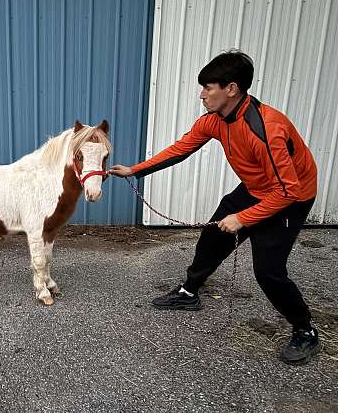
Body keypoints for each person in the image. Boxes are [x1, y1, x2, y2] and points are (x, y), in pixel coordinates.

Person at [108, 50, 320, 365]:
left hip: (292, 197)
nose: (202, 94)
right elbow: (181, 149)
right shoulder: (215, 121)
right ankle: (189, 293)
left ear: (231, 88)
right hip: (256, 188)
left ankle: (305, 331)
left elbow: (287, 190)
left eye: (208, 87)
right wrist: (135, 170)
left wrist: (243, 218)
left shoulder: (266, 130)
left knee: (269, 272)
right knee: (212, 238)